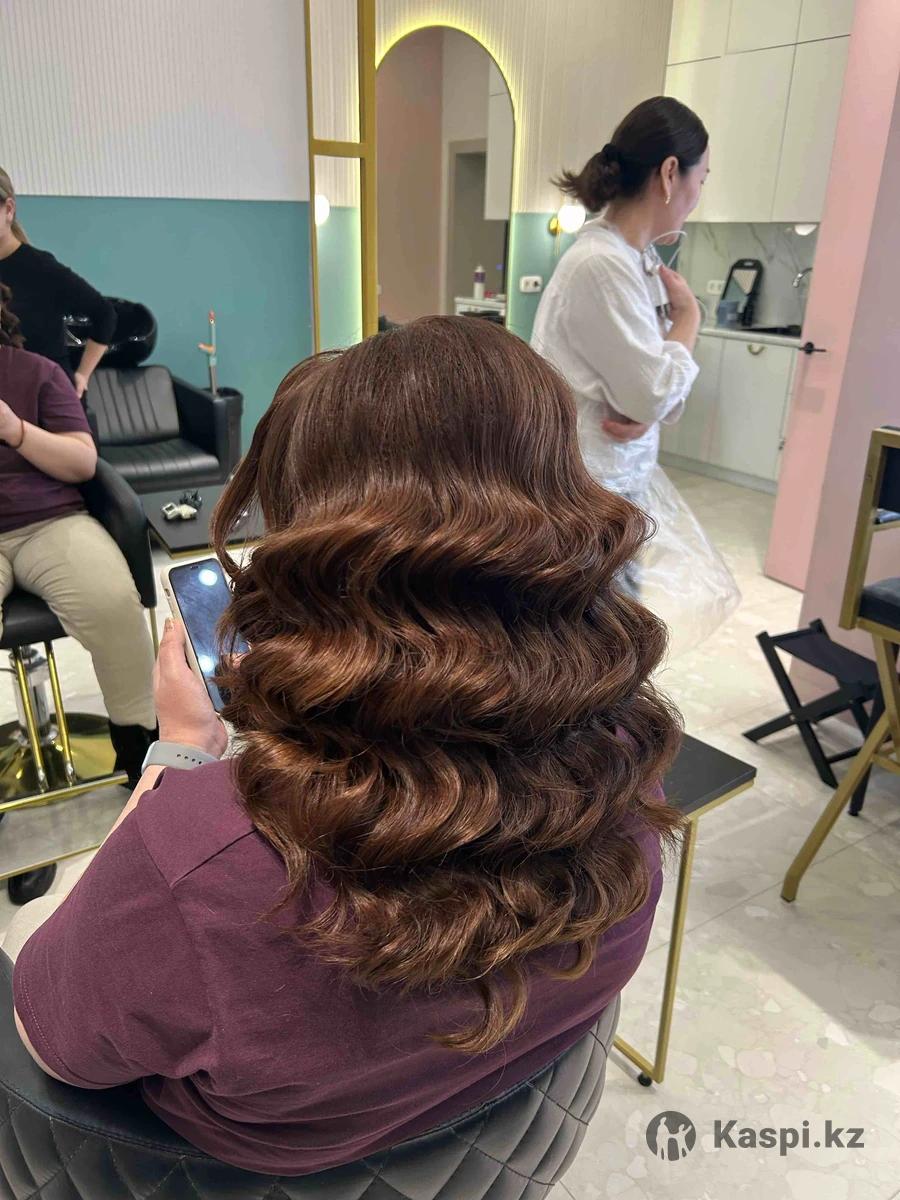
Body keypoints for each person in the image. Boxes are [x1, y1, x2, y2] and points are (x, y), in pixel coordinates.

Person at [7, 317, 681, 1176]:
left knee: (28, 924)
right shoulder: (627, 747)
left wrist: (181, 750)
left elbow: (54, 1046)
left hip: (243, 1168)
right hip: (511, 1124)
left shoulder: (207, 856)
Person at [532, 97, 739, 655]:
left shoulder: (632, 261)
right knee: (599, 646)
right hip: (592, 489)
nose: (699, 194)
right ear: (671, 173)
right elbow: (653, 392)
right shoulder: (603, 264)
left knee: (608, 639)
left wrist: (646, 405)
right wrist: (689, 320)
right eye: (701, 178)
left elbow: (649, 395)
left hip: (611, 483)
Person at [0, 286, 156, 782]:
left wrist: (15, 430)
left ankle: (141, 751)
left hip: (50, 523)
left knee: (114, 605)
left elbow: (82, 462)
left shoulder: (38, 373)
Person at [0, 168, 115, 397]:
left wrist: (82, 375)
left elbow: (105, 314)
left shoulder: (41, 267)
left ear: (9, 209)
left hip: (48, 400)